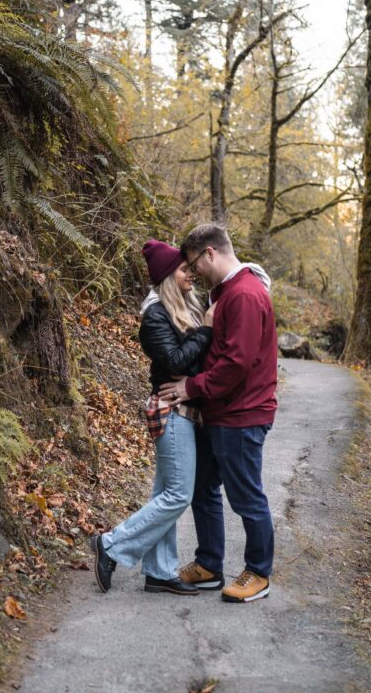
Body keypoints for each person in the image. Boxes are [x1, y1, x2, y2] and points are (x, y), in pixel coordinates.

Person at [159, 224, 277, 604]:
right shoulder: (225, 293)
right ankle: (209, 564)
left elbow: (235, 364)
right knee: (203, 488)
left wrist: (190, 388)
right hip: (219, 413)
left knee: (246, 496)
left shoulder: (243, 294)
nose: (192, 273)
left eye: (194, 264)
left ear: (210, 253)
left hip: (242, 415)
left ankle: (258, 572)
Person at [90, 238, 215, 595]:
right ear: (166, 276)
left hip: (186, 412)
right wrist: (205, 331)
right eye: (183, 268)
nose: (190, 272)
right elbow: (176, 362)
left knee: (165, 492)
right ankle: (111, 544)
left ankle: (160, 571)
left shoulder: (186, 309)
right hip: (172, 413)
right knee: (177, 495)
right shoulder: (155, 316)